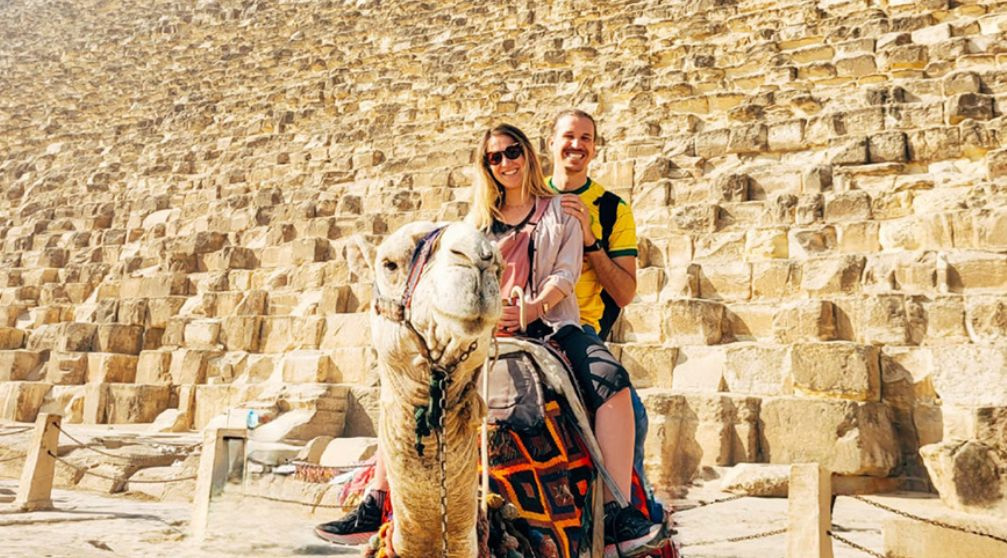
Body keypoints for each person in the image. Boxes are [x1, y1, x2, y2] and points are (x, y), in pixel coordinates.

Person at [316, 123, 663, 557]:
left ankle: (617, 512)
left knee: (610, 378)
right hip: (487, 331)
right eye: (493, 157)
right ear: (486, 167)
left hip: (550, 327)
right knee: (411, 385)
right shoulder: (475, 225)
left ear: (529, 155)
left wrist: (533, 308)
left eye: (512, 152)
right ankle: (376, 500)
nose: (505, 162)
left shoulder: (561, 211)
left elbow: (566, 273)